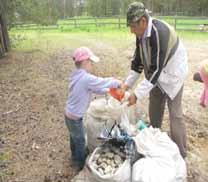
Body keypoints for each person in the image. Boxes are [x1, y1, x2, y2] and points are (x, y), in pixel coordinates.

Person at [123, 2, 188, 158]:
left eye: (133, 26)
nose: (131, 31)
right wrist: (126, 85)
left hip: (173, 75)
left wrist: (136, 95)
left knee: (176, 115)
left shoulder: (160, 33)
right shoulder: (141, 35)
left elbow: (156, 69)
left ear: (143, 21)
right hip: (156, 77)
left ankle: (181, 154)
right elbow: (138, 62)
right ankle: (154, 141)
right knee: (155, 109)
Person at [65, 47, 122, 171]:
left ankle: (74, 155)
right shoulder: (86, 78)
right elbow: (101, 82)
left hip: (69, 115)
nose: (92, 66)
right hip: (75, 117)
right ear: (85, 62)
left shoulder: (77, 76)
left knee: (74, 137)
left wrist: (109, 91)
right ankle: (79, 164)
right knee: (80, 140)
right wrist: (116, 82)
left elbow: (95, 88)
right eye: (91, 63)